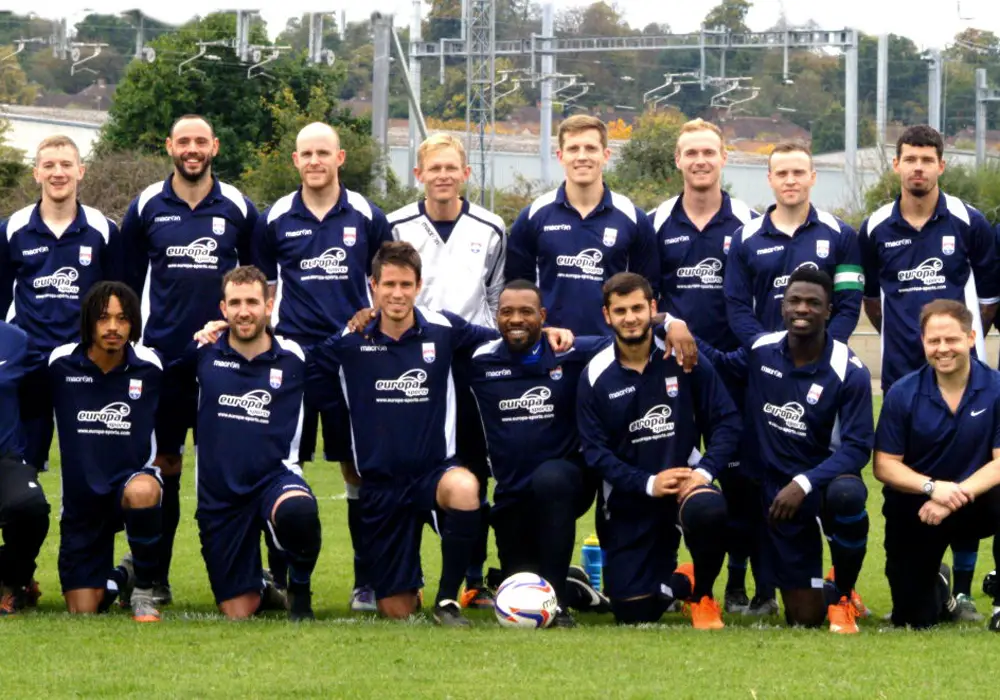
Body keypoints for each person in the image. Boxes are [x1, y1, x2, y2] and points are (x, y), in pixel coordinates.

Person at [311, 241, 573, 626]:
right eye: (388, 285)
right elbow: (303, 365)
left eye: (405, 284)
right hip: (381, 484)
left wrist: (544, 329)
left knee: (466, 487)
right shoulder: (350, 340)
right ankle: (406, 585)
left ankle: (447, 600)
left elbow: (507, 338)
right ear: (373, 286)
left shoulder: (444, 329)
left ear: (418, 285)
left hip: (434, 474)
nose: (397, 293)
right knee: (396, 610)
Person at [860, 125, 999, 617]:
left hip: (965, 375)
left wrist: (957, 347)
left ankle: (963, 590)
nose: (918, 167)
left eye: (927, 159)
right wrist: (909, 343)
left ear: (941, 165)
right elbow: (872, 303)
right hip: (904, 376)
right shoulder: (875, 226)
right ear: (896, 166)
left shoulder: (968, 220)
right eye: (909, 159)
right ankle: (929, 574)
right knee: (915, 480)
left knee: (971, 470)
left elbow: (987, 300)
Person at [251, 121, 391, 611]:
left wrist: (372, 314)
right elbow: (262, 290)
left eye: (323, 153)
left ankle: (365, 580)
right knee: (281, 461)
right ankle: (282, 575)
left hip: (351, 359)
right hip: (289, 358)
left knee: (357, 466)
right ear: (295, 161)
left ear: (340, 158)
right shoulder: (274, 219)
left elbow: (387, 283)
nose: (314, 161)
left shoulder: (369, 216)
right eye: (305, 153)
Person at [121, 114, 258, 604]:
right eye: (184, 142)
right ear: (169, 146)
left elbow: (261, 285)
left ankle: (252, 574)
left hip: (228, 365)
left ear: (215, 147)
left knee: (236, 466)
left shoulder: (239, 206)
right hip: (166, 363)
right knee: (166, 465)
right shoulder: (146, 206)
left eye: (201, 141)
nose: (192, 149)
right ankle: (154, 577)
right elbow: (126, 285)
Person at [703, 268, 873, 633]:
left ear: (828, 311)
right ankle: (695, 581)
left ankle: (843, 591)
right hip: (772, 489)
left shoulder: (849, 370)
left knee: (848, 495)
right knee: (805, 618)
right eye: (794, 300)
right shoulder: (762, 350)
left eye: (814, 303)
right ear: (782, 307)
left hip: (821, 483)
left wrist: (805, 484)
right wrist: (672, 325)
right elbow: (716, 363)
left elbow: (858, 448)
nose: (802, 309)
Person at [649, 118, 772, 616]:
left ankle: (737, 584)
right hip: (671, 373)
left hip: (734, 371)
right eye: (690, 153)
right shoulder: (654, 221)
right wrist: (669, 321)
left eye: (708, 152)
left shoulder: (748, 221)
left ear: (725, 158)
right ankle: (665, 575)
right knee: (670, 473)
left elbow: (760, 297)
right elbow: (643, 298)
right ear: (677, 160)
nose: (700, 161)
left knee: (742, 481)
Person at [577, 272, 740, 629]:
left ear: (653, 308)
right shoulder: (594, 375)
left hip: (685, 488)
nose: (630, 317)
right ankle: (682, 580)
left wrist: (704, 472)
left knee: (709, 507)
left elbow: (728, 421)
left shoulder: (683, 356)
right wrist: (648, 483)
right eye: (620, 311)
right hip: (629, 499)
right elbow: (595, 453)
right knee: (634, 614)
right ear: (607, 316)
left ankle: (704, 596)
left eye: (637, 307)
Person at [386, 133, 506, 609]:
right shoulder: (396, 224)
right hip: (414, 363)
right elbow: (383, 292)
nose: (442, 176)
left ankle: (473, 576)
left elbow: (496, 298)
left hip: (471, 362)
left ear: (465, 173)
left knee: (474, 465)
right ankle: (399, 572)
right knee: (407, 464)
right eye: (432, 168)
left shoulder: (491, 226)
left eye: (450, 168)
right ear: (418, 175)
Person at [465, 279, 611, 626]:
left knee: (551, 480)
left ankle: (560, 606)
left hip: (566, 482)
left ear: (542, 316)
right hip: (512, 494)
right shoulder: (479, 362)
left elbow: (622, 338)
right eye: (507, 312)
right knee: (523, 586)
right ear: (496, 317)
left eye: (526, 312)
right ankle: (573, 585)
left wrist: (670, 323)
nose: (516, 319)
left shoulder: (570, 353)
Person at [189, 266, 322, 621]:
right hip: (220, 494)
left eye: (252, 302)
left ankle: (300, 590)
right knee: (239, 611)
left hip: (274, 479)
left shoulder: (296, 356)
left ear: (269, 305)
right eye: (235, 303)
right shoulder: (201, 354)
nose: (243, 311)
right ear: (223, 309)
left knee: (298, 511)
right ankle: (264, 589)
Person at [874, 299, 1000, 630]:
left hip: (977, 501)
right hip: (921, 507)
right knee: (914, 620)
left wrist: (953, 495)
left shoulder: (996, 388)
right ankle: (939, 584)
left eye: (952, 339)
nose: (943, 349)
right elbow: (885, 466)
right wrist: (932, 488)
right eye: (934, 341)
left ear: (971, 338)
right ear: (923, 343)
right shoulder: (903, 393)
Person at [0, 135, 123, 473]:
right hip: (29, 363)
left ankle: (85, 527)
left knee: (89, 466)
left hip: (85, 362)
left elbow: (118, 301)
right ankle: (23, 522)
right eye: (49, 165)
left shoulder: (103, 230)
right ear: (36, 173)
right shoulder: (12, 229)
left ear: (81, 171)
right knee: (23, 464)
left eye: (66, 165)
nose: (58, 173)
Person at [48, 282, 163, 622]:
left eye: (122, 318)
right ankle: (121, 576)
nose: (113, 327)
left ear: (133, 324)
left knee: (143, 490)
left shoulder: (151, 366)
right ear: (89, 322)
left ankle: (144, 588)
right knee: (84, 609)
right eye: (104, 318)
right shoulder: (60, 364)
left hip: (128, 487)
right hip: (82, 502)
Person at [505, 115, 661, 337]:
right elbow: (516, 289)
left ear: (605, 155)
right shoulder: (533, 215)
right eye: (573, 149)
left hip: (612, 350)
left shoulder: (633, 218)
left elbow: (648, 292)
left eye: (590, 148)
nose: (582, 157)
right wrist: (543, 331)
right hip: (550, 348)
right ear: (560, 156)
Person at [724, 141, 862, 348]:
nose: (790, 181)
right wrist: (763, 347)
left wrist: (825, 349)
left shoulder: (842, 234)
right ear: (770, 179)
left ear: (812, 177)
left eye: (798, 173)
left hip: (822, 360)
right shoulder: (744, 238)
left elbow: (849, 305)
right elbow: (737, 306)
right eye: (782, 174)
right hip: (765, 360)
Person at [0, 320, 50, 616]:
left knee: (30, 508)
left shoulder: (15, 340)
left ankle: (13, 578)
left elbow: (37, 401)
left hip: (4, 459)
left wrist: (27, 457)